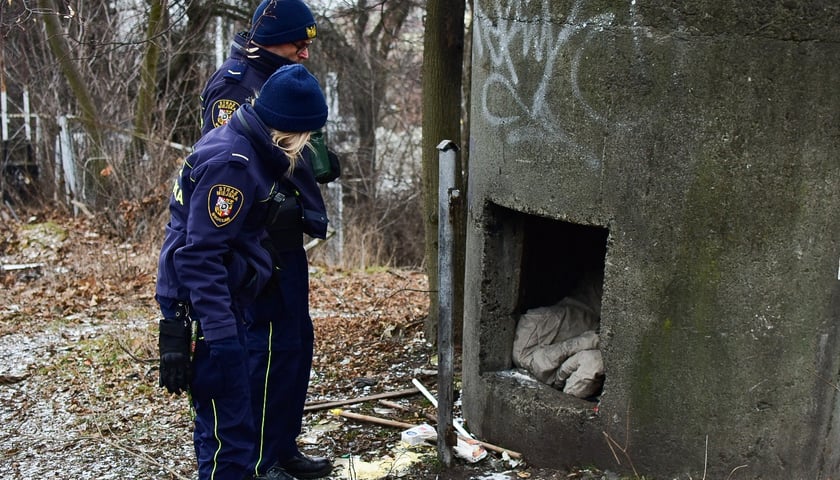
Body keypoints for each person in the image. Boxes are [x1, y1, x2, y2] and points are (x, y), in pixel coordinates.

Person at [156, 64, 329, 480]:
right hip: (209, 313)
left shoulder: (246, 145)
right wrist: (220, 337)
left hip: (223, 303)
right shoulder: (233, 163)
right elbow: (199, 257)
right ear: (290, 129)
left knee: (230, 426)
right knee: (230, 438)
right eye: (307, 136)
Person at [198, 1, 336, 479]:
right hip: (256, 243)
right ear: (267, 38)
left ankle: (282, 445)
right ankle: (259, 459)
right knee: (268, 347)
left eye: (309, 43)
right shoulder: (235, 86)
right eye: (297, 42)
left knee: (296, 343)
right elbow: (227, 167)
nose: (305, 51)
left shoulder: (283, 78)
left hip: (284, 239)